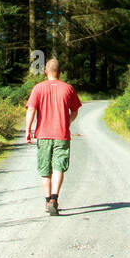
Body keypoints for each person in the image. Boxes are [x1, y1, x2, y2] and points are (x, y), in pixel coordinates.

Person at [24, 58, 82, 216]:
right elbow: (75, 111)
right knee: (58, 167)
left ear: (45, 71)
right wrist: (67, 122)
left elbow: (31, 110)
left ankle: (47, 200)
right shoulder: (68, 89)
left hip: (43, 135)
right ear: (60, 72)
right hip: (61, 134)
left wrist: (28, 130)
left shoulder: (38, 88)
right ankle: (54, 199)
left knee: (45, 169)